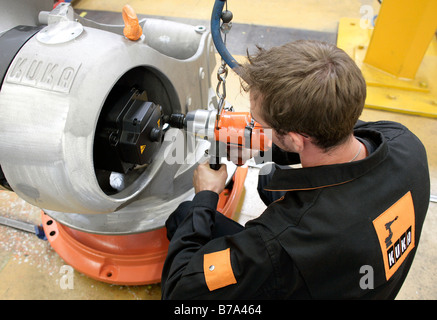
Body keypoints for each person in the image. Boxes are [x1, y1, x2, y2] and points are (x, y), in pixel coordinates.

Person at [160, 40, 430, 299]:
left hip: (313, 261)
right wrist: (261, 146)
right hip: (352, 270)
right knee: (267, 181)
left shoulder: (280, 242)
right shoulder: (405, 142)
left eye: (257, 122)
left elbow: (178, 293)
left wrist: (206, 195)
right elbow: (321, 128)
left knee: (187, 216)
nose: (253, 126)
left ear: (295, 139)